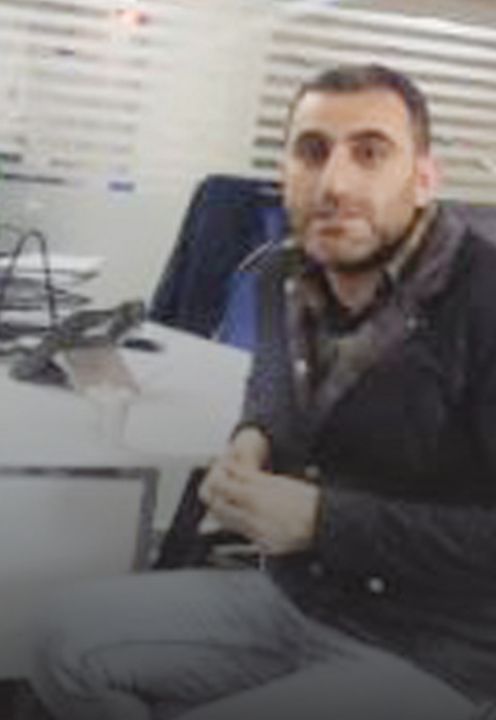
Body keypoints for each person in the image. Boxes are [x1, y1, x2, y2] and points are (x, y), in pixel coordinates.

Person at [30, 64, 496, 719]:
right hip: (295, 602)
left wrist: (320, 522)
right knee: (58, 641)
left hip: (440, 653)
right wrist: (253, 438)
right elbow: (273, 388)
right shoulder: (281, 273)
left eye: (370, 152)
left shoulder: (482, 300)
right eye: (312, 151)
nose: (334, 183)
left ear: (424, 178)